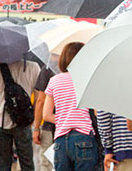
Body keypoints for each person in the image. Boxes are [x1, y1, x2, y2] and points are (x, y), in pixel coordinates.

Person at [43, 42, 98, 171]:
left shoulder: (54, 80)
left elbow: (46, 115)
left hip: (60, 142)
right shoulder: (87, 79)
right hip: (84, 137)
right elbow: (97, 113)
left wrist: (65, 119)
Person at [0, 60, 40, 171]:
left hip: (1, 123)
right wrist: (32, 117)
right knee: (27, 163)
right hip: (24, 121)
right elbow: (38, 97)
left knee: (4, 164)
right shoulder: (33, 67)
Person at [33, 65, 55, 171]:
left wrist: (36, 128)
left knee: (46, 163)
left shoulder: (47, 69)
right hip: (71, 125)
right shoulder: (77, 67)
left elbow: (41, 100)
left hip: (49, 125)